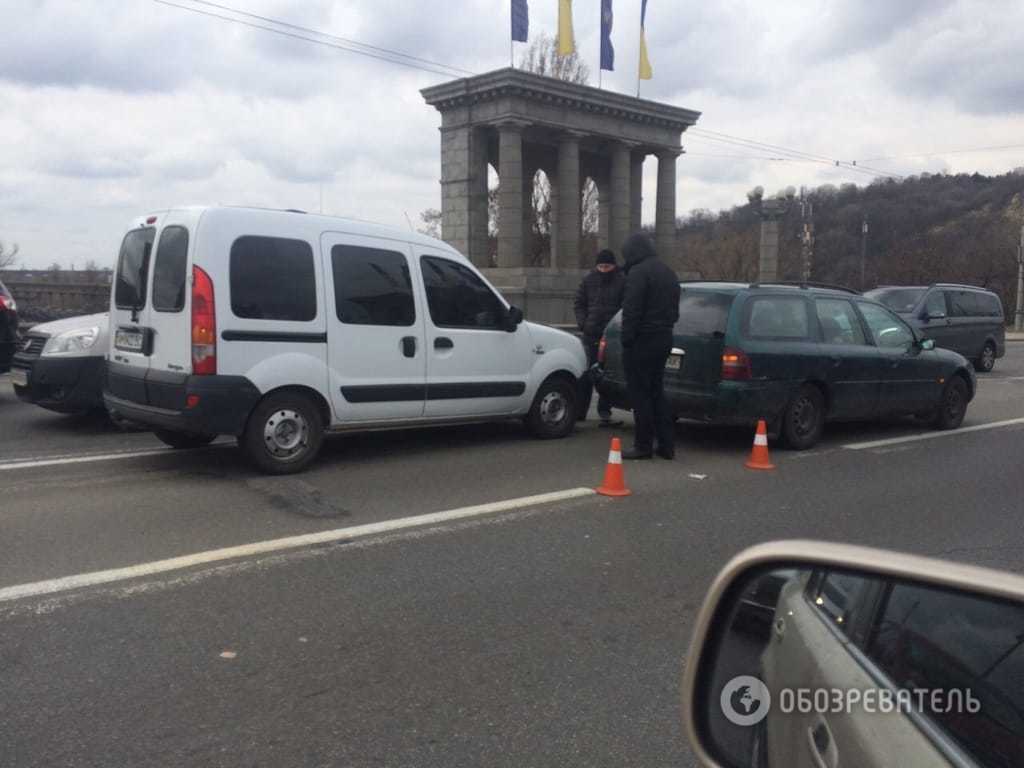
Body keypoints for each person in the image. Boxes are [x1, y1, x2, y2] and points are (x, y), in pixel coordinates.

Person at [619, 233, 680, 460]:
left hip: (642, 340)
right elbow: (675, 312)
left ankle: (643, 445)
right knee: (657, 392)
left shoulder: (638, 273)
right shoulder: (668, 272)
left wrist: (627, 340)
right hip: (664, 337)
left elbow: (631, 310)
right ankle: (666, 445)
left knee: (640, 395)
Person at [574, 249, 626, 427]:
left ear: (613, 265)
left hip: (611, 336)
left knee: (607, 376)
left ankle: (605, 413)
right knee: (586, 374)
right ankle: (579, 412)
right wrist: (583, 323)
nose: (604, 269)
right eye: (601, 266)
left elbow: (625, 306)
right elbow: (579, 303)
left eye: (607, 266)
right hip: (590, 333)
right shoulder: (589, 279)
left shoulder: (622, 280)